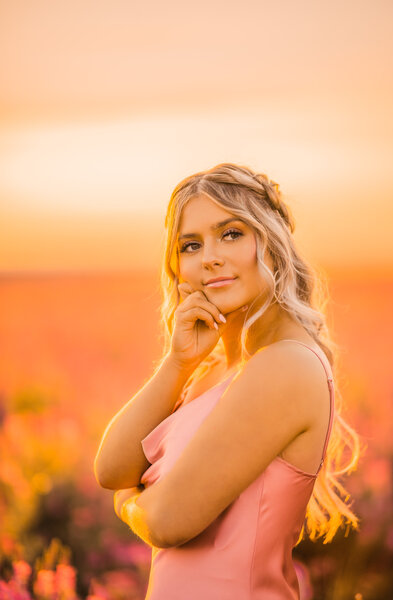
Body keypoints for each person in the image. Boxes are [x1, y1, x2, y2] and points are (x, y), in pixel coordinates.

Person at [94, 162, 362, 599]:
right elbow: (110, 469)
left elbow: (165, 521)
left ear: (271, 241)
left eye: (232, 233)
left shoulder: (286, 364)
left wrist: (128, 503)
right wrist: (178, 362)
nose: (210, 256)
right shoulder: (215, 367)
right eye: (191, 245)